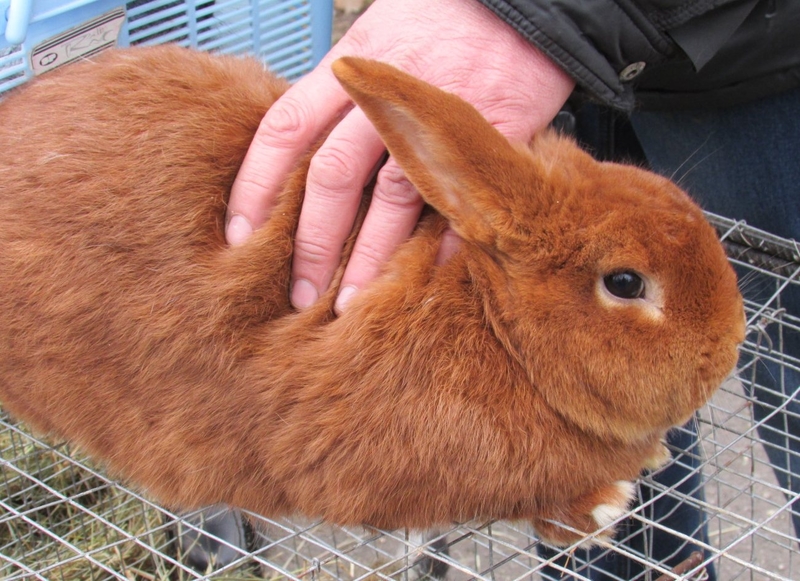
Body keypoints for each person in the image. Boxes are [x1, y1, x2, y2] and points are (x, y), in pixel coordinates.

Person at [224, 0, 800, 578]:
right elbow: (334, 462)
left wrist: (543, 15)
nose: (732, 339)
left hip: (747, 48)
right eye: (625, 285)